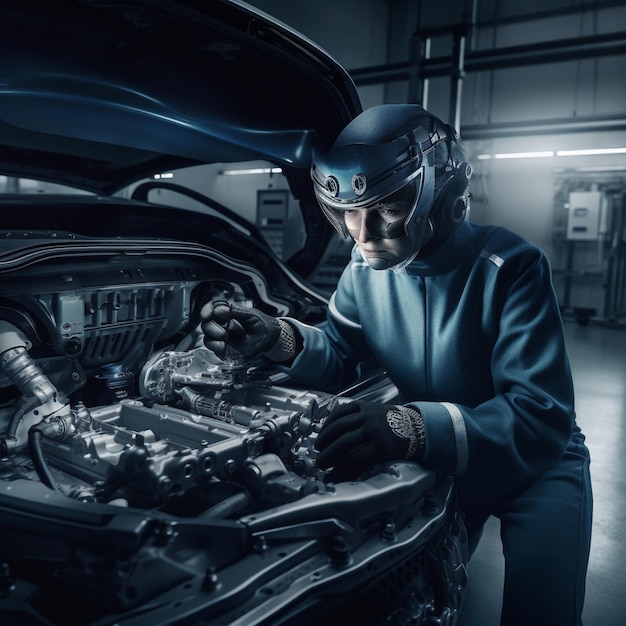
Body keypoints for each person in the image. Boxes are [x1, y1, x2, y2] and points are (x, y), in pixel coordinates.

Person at [200, 104, 593, 625]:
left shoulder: (511, 267)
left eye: (386, 208)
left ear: (444, 195)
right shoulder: (365, 273)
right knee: (422, 592)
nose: (362, 236)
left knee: (541, 615)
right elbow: (340, 354)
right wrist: (279, 339)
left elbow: (539, 414)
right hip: (445, 457)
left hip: (537, 464)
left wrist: (410, 426)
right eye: (347, 213)